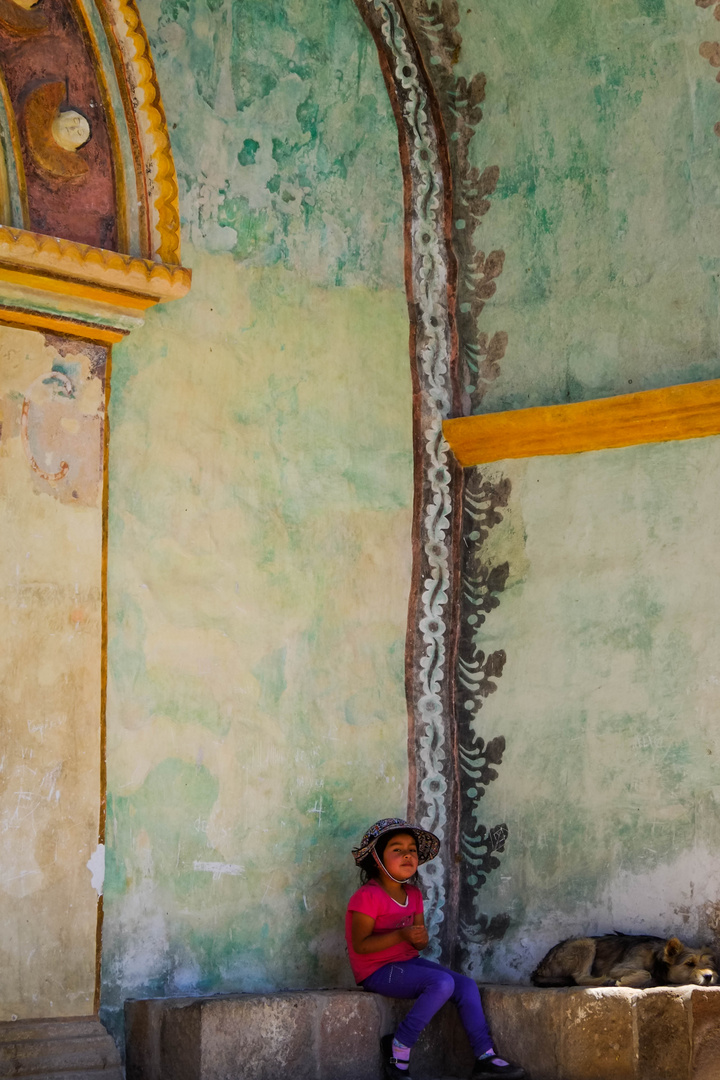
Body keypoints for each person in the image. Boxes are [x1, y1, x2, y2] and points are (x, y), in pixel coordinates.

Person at [345, 817, 525, 1080]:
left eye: (412, 850)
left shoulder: (413, 895)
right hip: (377, 971)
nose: (407, 855)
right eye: (397, 849)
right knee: (441, 983)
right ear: (376, 859)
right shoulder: (367, 897)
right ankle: (399, 1047)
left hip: (407, 963)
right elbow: (360, 946)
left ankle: (485, 1056)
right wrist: (401, 934)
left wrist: (417, 939)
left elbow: (419, 942)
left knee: (465, 985)